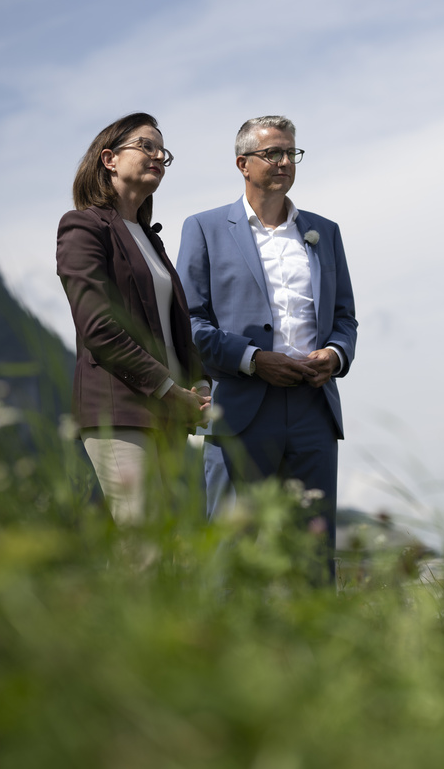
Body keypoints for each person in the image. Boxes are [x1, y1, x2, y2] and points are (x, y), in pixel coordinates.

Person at [177, 116, 356, 581]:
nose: (283, 162)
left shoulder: (325, 232)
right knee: (231, 554)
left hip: (314, 407)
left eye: (290, 153)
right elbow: (190, 322)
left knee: (314, 555)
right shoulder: (204, 228)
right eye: (272, 153)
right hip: (240, 406)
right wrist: (254, 360)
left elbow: (344, 319)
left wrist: (334, 356)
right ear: (242, 163)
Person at [56, 112, 209, 524]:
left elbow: (174, 327)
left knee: (169, 551)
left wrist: (199, 382)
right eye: (146, 146)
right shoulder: (83, 227)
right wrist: (165, 387)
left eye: (163, 151)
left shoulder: (150, 239)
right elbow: (98, 327)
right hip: (119, 407)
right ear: (109, 159)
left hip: (170, 411)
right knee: (142, 543)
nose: (158, 155)